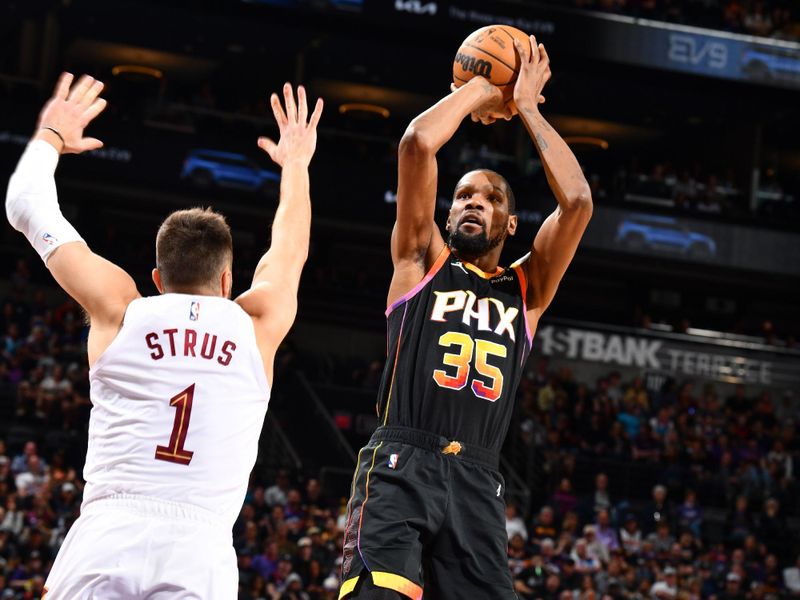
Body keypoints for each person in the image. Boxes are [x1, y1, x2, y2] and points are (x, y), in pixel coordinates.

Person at [5, 73, 323, 599]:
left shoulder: (120, 308)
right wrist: (295, 165)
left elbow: (25, 205)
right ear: (227, 280)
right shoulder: (255, 324)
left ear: (157, 279)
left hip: (107, 533)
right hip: (199, 549)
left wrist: (52, 134)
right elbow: (291, 247)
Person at [339, 36, 592, 599]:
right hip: (401, 461)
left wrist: (524, 105)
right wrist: (480, 87)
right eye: (463, 195)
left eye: (492, 198)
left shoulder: (528, 288)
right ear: (447, 212)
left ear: (510, 225)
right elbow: (416, 143)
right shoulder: (420, 260)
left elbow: (576, 203)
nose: (475, 202)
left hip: (479, 478)